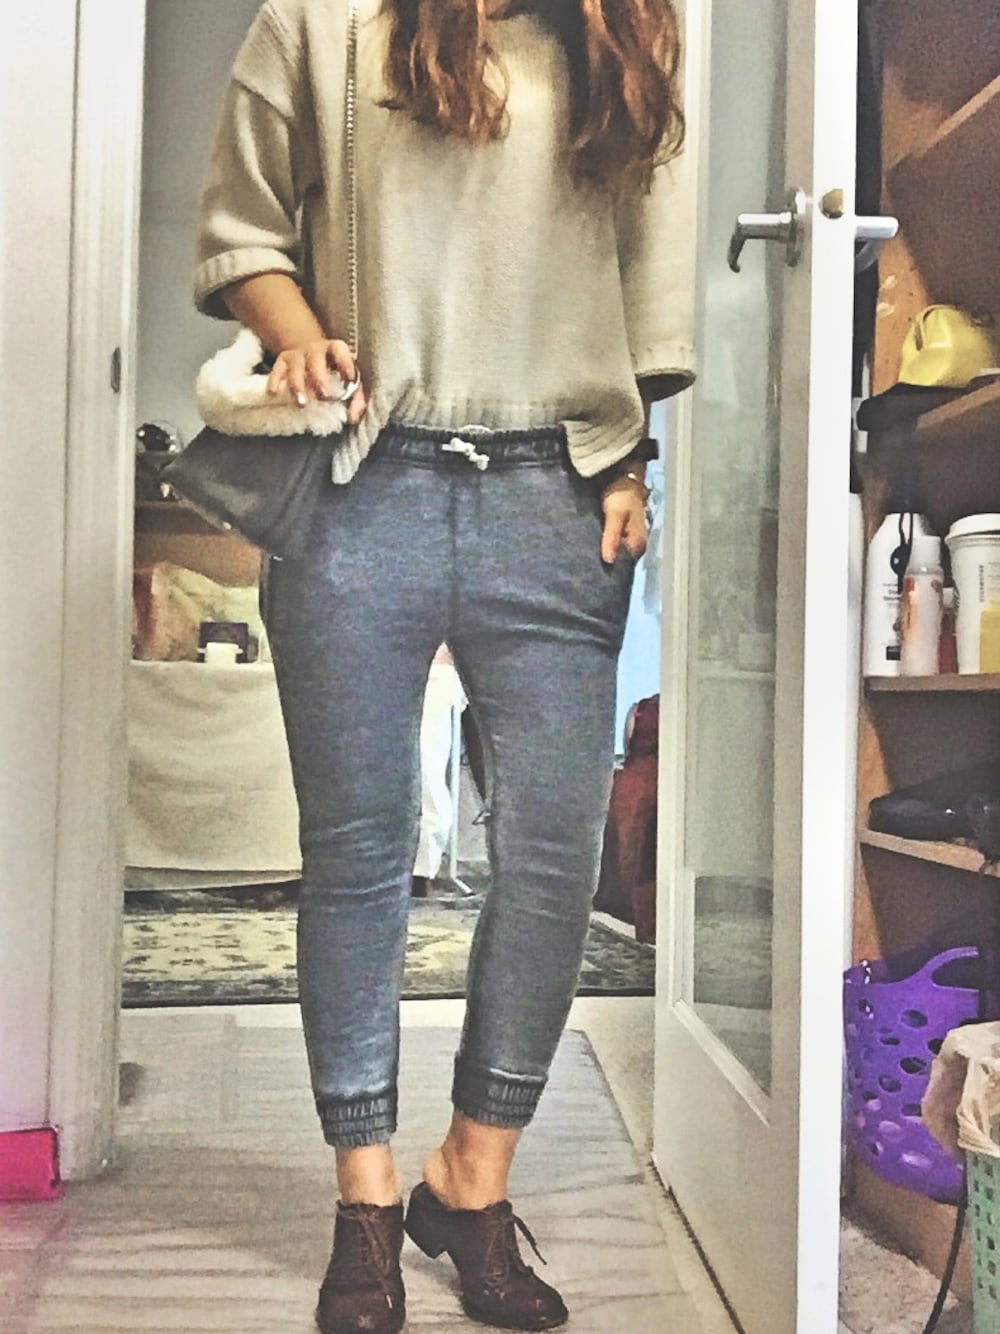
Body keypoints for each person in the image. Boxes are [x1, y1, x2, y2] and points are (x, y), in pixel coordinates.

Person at [193, 1, 694, 1330]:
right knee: (358, 849)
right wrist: (296, 331)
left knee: (553, 853)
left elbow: (649, 267)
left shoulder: (625, 35)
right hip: (364, 475)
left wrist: (632, 458)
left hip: (561, 485)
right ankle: (364, 1197)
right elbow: (244, 231)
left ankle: (471, 1178)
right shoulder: (317, 24)